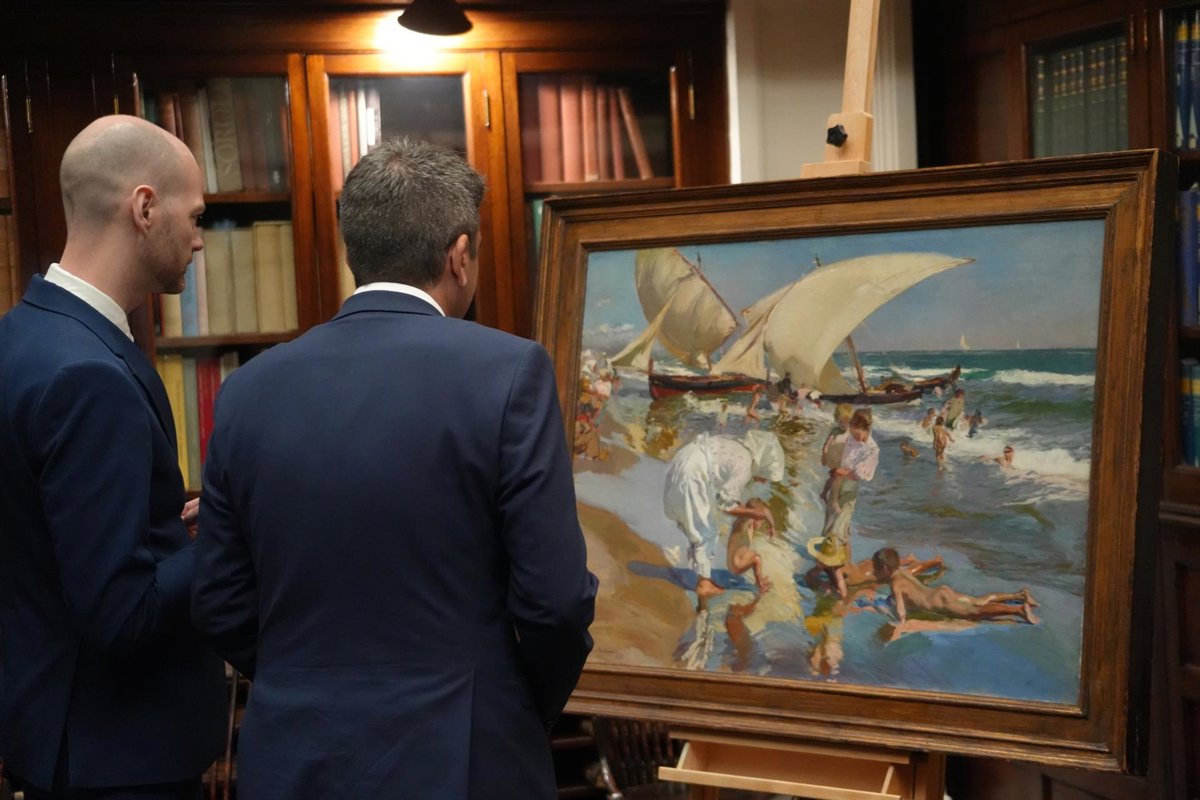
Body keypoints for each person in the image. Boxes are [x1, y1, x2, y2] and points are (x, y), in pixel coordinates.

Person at [191, 139, 598, 800]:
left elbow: (219, 601)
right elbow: (555, 602)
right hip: (465, 757)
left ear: (354, 250)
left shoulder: (248, 390)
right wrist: (519, 706)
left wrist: (307, 680)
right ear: (460, 255)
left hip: (295, 756)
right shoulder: (509, 373)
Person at [0, 115, 226, 798]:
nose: (199, 239)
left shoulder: (21, 335)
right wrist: (226, 535)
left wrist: (168, 533)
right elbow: (122, 613)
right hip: (120, 758)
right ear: (144, 207)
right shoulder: (88, 374)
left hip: (55, 731)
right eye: (195, 216)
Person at [663, 430, 785, 606]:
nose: (765, 481)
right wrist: (753, 513)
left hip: (685, 460)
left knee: (699, 525)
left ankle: (701, 576)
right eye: (766, 475)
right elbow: (726, 506)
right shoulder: (745, 465)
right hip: (693, 472)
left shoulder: (739, 447)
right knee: (707, 531)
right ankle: (704, 585)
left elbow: (720, 481)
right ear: (763, 464)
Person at [810, 408, 879, 598]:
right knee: (830, 527)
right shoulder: (849, 436)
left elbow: (860, 475)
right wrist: (828, 458)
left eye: (857, 433)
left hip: (849, 489)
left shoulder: (872, 449)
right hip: (836, 485)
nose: (854, 436)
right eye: (852, 430)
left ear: (866, 429)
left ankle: (835, 574)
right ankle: (838, 569)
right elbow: (834, 450)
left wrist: (841, 472)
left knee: (837, 531)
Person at [871, 548, 1038, 624]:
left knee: (975, 612)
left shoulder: (896, 583)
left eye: (876, 569)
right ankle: (1019, 595)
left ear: (885, 569)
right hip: (941, 593)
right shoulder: (902, 571)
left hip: (942, 602)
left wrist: (900, 622)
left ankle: (1018, 610)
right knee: (979, 601)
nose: (875, 573)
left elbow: (901, 609)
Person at [725, 497, 776, 593]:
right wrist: (772, 527)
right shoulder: (745, 521)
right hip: (735, 564)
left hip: (735, 560)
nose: (762, 523)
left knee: (754, 555)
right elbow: (765, 511)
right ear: (755, 516)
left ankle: (759, 580)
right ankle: (760, 585)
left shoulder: (745, 520)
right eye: (761, 520)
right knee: (757, 558)